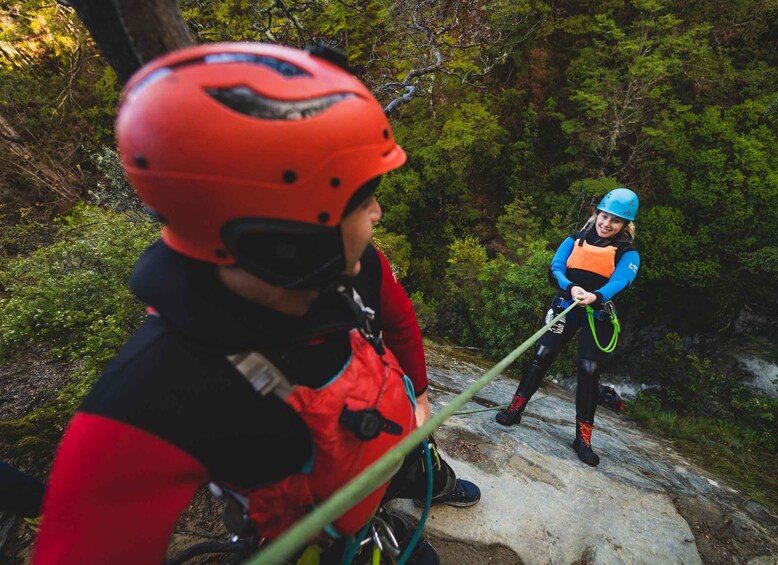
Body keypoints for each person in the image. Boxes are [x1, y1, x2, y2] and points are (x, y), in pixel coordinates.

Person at [33, 42, 477, 564]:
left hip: (389, 439)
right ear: (287, 242)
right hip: (318, 531)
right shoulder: (149, 398)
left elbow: (400, 321)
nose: (377, 214)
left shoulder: (350, 268)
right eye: (362, 201)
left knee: (415, 469)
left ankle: (432, 478)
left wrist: (421, 397)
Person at [495, 188, 641, 467]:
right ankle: (515, 408)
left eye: (615, 220)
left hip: (597, 314)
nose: (607, 223)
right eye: (604, 216)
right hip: (567, 306)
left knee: (589, 371)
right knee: (541, 356)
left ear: (625, 225)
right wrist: (571, 287)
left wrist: (595, 296)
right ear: (597, 213)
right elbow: (555, 269)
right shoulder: (574, 240)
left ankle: (583, 438)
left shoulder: (628, 254)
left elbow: (619, 282)